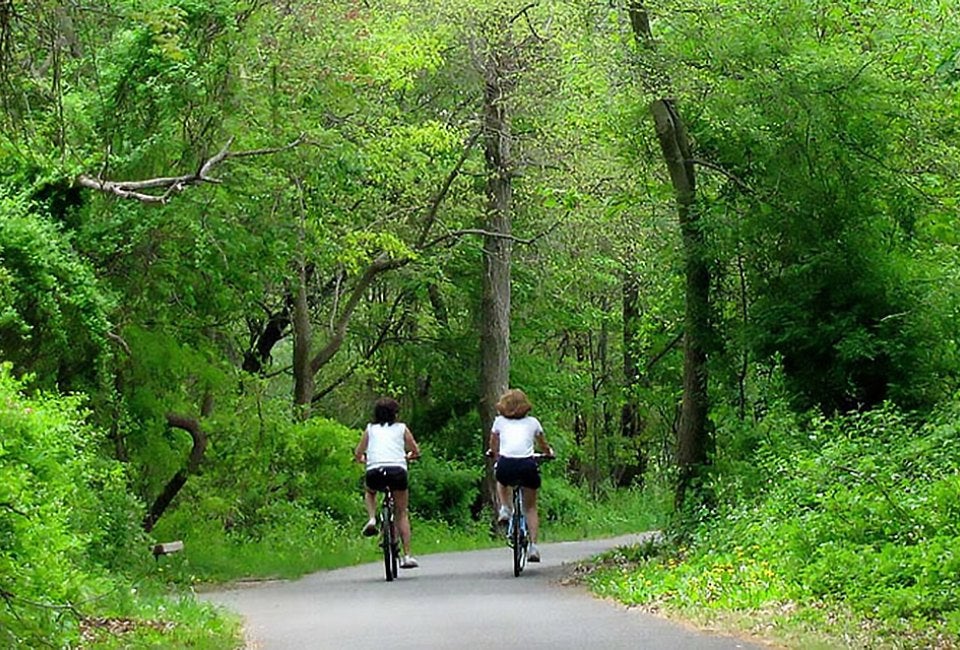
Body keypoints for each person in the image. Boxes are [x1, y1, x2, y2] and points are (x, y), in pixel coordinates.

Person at [354, 397, 421, 569]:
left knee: (370, 491)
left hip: (375, 471)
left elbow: (358, 452)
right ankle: (406, 556)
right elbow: (415, 449)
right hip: (397, 471)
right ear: (395, 414)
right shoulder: (401, 428)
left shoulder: (370, 429)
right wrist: (411, 455)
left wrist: (362, 459)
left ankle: (371, 518)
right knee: (401, 513)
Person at [488, 388, 555, 563]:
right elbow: (543, 444)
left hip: (507, 464)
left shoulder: (499, 422)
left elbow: (493, 443)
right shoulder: (533, 423)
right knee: (530, 507)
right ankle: (533, 547)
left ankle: (505, 508)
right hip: (527, 465)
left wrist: (493, 452)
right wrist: (548, 453)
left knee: (500, 477)